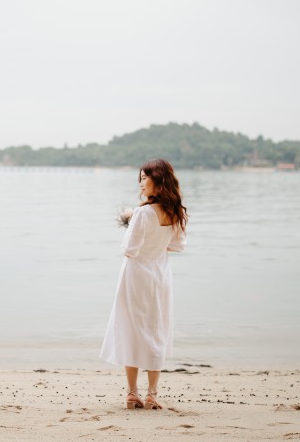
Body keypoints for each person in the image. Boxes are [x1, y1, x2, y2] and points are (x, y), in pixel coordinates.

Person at [100, 159, 187, 410]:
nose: (140, 182)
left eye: (144, 178)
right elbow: (177, 246)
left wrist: (130, 225)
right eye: (140, 178)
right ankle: (152, 394)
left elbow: (129, 250)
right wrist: (156, 243)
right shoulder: (176, 212)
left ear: (158, 182)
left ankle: (132, 392)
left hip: (135, 276)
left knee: (131, 329)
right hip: (160, 275)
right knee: (156, 329)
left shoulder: (142, 213)